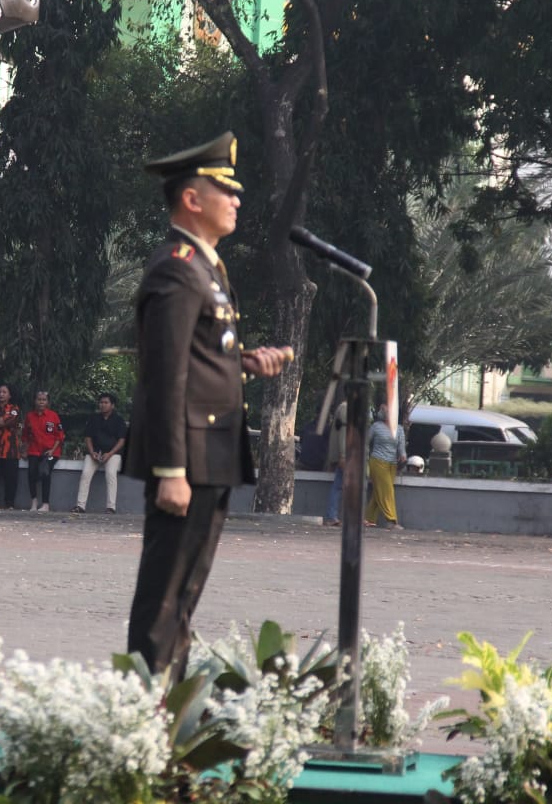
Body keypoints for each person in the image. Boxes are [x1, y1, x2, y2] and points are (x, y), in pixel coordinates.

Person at [123, 131, 292, 679]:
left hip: (209, 454)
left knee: (185, 592)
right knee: (164, 595)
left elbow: (194, 352)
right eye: (227, 190)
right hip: (187, 460)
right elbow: (164, 373)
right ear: (192, 200)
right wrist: (171, 470)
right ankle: (142, 710)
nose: (237, 200)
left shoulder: (205, 266)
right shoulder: (177, 265)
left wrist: (242, 360)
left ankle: (169, 705)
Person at [72, 393, 127, 514]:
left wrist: (110, 453)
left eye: (106, 403)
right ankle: (80, 506)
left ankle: (111, 507)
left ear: (112, 405)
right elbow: (88, 437)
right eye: (101, 402)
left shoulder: (118, 420)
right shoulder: (94, 418)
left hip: (113, 453)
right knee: (85, 474)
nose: (103, 405)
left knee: (111, 474)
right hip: (94, 452)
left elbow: (122, 440)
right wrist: (92, 452)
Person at [365, 402, 407, 529]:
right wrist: (366, 458)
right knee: (387, 491)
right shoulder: (376, 427)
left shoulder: (399, 429)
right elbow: (366, 442)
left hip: (392, 464)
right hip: (377, 461)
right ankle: (392, 520)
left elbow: (401, 445)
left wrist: (403, 455)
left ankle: (368, 519)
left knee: (379, 493)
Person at [23, 391, 65, 512]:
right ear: (35, 401)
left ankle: (46, 504)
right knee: (31, 473)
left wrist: (52, 450)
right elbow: (25, 435)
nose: (41, 402)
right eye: (39, 399)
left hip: (51, 451)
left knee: (45, 472)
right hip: (34, 450)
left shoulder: (53, 416)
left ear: (47, 402)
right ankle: (34, 502)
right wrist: (24, 449)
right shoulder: (30, 416)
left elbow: (60, 436)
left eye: (44, 400)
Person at [324, 400, 347, 527]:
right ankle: (332, 516)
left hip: (346, 454)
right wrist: (343, 455)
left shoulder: (343, 407)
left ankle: (332, 515)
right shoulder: (346, 408)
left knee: (339, 485)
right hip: (347, 455)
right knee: (340, 486)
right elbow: (343, 433)